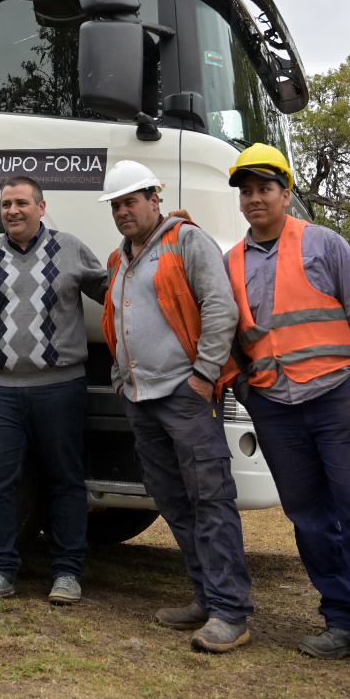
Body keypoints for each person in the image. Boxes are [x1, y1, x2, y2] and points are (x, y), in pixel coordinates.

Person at [221, 144, 350, 681]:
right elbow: (229, 334)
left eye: (265, 188)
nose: (255, 198)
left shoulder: (323, 242)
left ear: (286, 194)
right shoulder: (230, 261)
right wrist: (243, 385)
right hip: (274, 406)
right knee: (308, 518)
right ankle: (341, 622)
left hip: (337, 398)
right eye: (246, 191)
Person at [99, 160, 252, 654]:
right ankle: (206, 598)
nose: (123, 211)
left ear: (154, 198)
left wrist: (204, 374)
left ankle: (231, 612)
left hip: (186, 397)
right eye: (116, 205)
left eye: (131, 201)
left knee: (210, 498)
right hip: (141, 399)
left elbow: (220, 306)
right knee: (173, 501)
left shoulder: (187, 241)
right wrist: (120, 378)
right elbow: (116, 320)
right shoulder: (119, 258)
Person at [0, 175, 108, 606]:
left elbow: (114, 290)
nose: (13, 211)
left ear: (42, 208)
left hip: (61, 387)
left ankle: (67, 572)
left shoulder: (71, 248)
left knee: (65, 480)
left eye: (22, 203)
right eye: (6, 204)